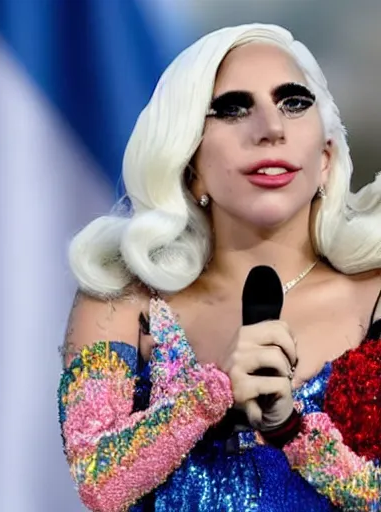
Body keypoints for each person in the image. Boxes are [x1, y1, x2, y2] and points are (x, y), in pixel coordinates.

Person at [57, 23, 381, 512]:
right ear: (190, 169)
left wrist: (290, 428)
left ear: (327, 160)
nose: (271, 128)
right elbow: (99, 483)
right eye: (233, 108)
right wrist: (214, 396)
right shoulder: (120, 299)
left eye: (293, 102)